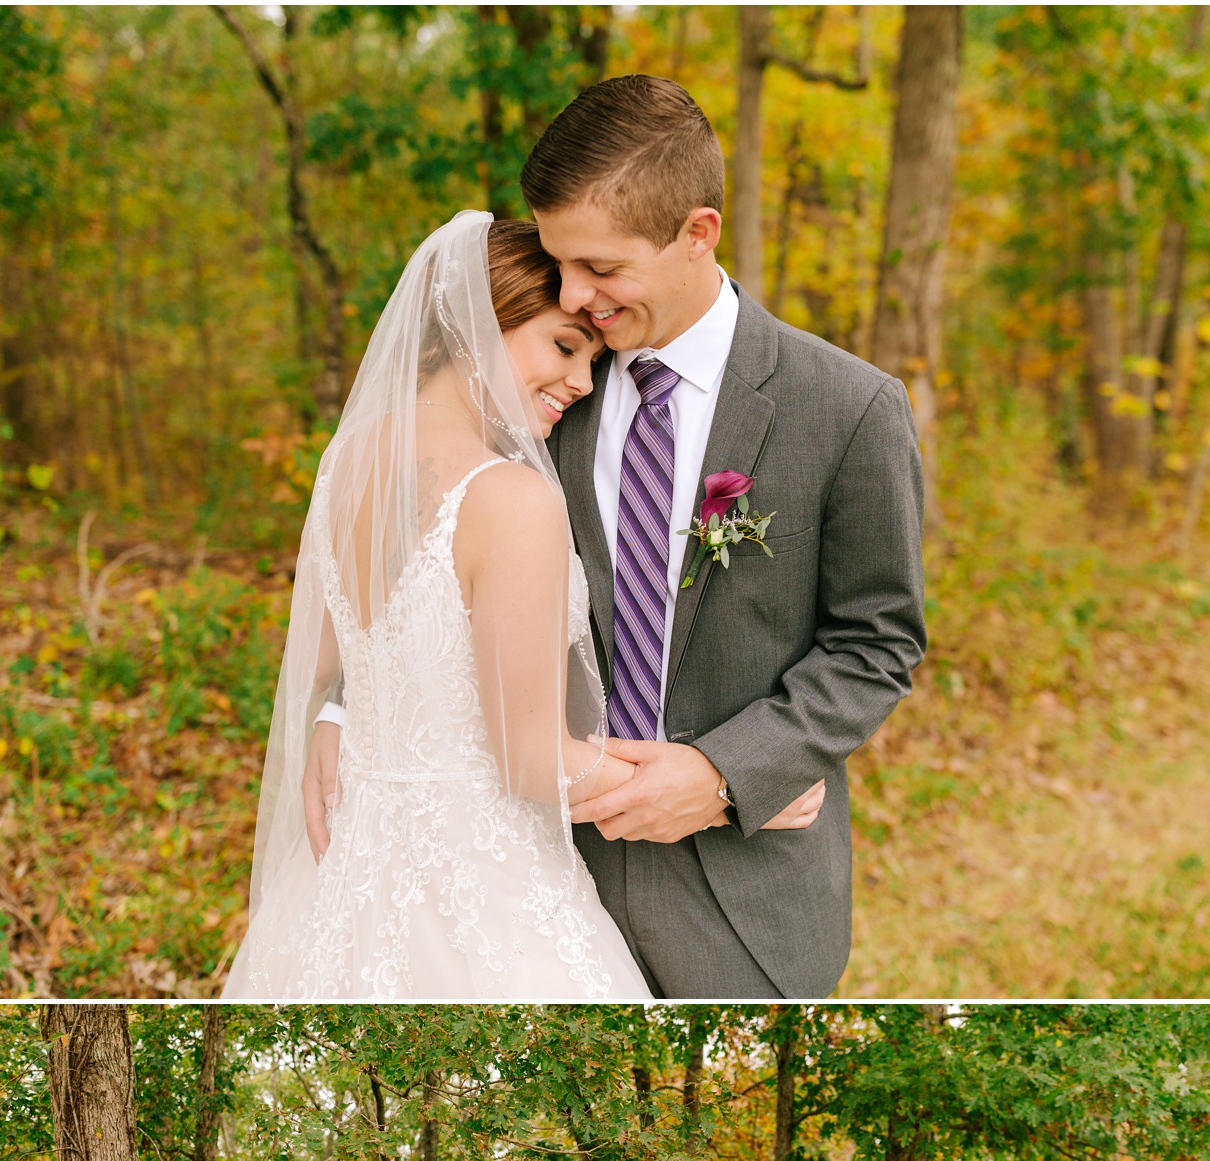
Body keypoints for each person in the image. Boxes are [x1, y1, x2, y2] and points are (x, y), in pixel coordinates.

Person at [222, 212, 817, 1001]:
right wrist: (722, 788)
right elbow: (533, 758)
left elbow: (344, 662)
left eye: (593, 358)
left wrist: (335, 718)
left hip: (349, 872)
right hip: (482, 889)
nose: (581, 381)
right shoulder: (510, 498)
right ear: (476, 325)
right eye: (564, 347)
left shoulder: (348, 462)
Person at [525, 74, 929, 998]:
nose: (574, 295)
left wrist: (722, 773)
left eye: (603, 267)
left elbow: (876, 644)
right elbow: (430, 548)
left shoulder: (849, 408)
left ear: (697, 233)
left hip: (747, 895)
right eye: (560, 262)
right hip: (544, 878)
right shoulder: (540, 384)